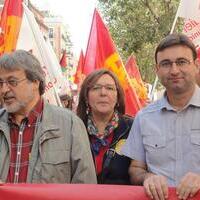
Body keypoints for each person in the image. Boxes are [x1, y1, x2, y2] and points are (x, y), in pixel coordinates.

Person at [121, 33, 200, 200]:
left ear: (196, 65)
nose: (174, 70)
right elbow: (135, 169)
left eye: (181, 62)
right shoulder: (143, 118)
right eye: (166, 64)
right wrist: (147, 178)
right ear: (157, 70)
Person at [0, 50, 97, 184]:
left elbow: (86, 187)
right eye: (0, 83)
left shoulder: (70, 125)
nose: (4, 90)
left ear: (35, 82)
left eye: (12, 81)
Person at [77, 69, 133, 184]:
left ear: (118, 97)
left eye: (109, 88)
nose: (103, 93)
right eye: (96, 88)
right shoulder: (73, 128)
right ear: (86, 96)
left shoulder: (133, 128)